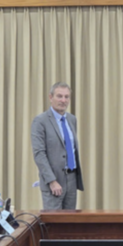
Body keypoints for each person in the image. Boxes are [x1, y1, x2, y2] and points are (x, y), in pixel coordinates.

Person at [31, 82, 84, 211]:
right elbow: (39, 154)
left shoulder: (72, 119)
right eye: (59, 96)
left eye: (66, 97)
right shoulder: (40, 121)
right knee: (54, 225)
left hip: (72, 178)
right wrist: (52, 181)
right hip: (54, 182)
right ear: (50, 97)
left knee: (69, 225)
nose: (63, 100)